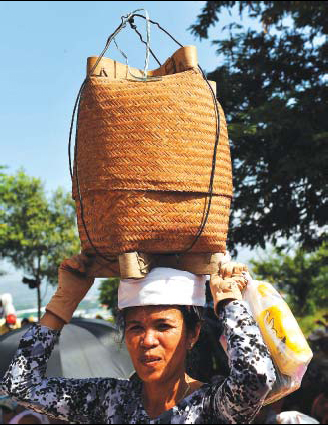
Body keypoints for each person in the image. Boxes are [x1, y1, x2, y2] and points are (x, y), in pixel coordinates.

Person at [1, 254, 276, 424]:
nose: (147, 340)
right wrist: (62, 305)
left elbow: (257, 376)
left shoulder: (212, 407)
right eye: (135, 328)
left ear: (192, 334)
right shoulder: (111, 400)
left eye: (163, 326)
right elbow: (20, 385)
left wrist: (228, 300)